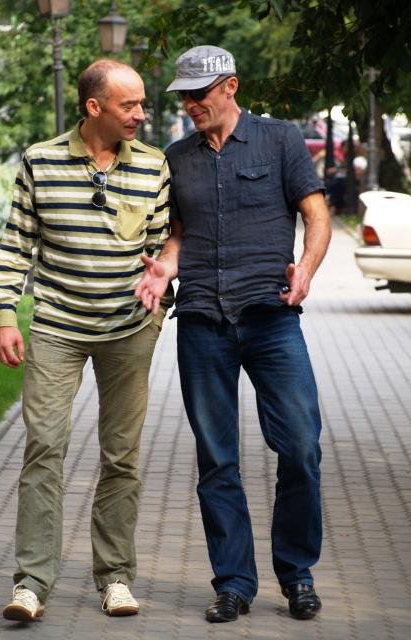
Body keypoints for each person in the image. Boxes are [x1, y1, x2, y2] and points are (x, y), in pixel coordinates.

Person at [135, 45, 331, 623]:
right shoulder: (177, 158)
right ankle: (234, 583)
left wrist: (306, 268)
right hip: (202, 321)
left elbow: (317, 215)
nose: (191, 104)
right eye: (184, 96)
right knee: (217, 460)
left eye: (199, 94)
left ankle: (297, 574)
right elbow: (178, 235)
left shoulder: (281, 140)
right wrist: (166, 268)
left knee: (301, 446)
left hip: (271, 317)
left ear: (231, 86)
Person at [0, 59, 172, 622]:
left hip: (129, 330)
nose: (141, 114)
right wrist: (3, 315)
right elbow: (17, 244)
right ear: (94, 107)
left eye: (141, 103)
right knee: (44, 447)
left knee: (121, 457)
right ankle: (31, 583)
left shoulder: (153, 164)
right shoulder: (40, 161)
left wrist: (159, 293)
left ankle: (115, 577)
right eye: (129, 104)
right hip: (57, 328)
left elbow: (164, 245)